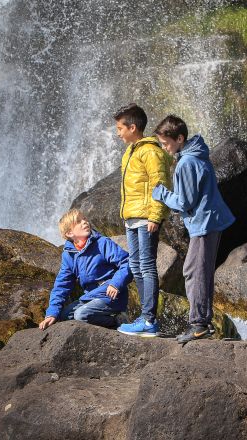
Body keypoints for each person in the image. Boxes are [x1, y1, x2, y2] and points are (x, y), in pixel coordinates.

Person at [151, 115, 235, 344]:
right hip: (209, 221)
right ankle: (202, 322)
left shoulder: (186, 163)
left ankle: (199, 324)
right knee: (197, 270)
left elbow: (184, 202)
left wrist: (161, 193)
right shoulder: (196, 154)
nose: (164, 148)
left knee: (195, 271)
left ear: (179, 138)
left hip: (204, 223)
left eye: (165, 143)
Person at [113, 103, 172, 337]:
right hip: (132, 217)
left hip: (147, 217)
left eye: (120, 128)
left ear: (132, 127)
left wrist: (156, 216)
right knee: (136, 266)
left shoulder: (150, 151)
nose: (118, 133)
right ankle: (144, 317)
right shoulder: (131, 151)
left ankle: (149, 320)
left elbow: (160, 184)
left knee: (146, 266)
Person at [39, 209, 132, 330]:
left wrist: (116, 283)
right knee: (64, 316)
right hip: (90, 297)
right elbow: (61, 285)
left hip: (111, 295)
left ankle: (118, 320)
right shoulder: (69, 254)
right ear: (69, 233)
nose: (85, 222)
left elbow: (127, 262)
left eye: (84, 219)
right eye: (78, 221)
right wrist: (51, 313)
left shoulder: (102, 243)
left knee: (81, 315)